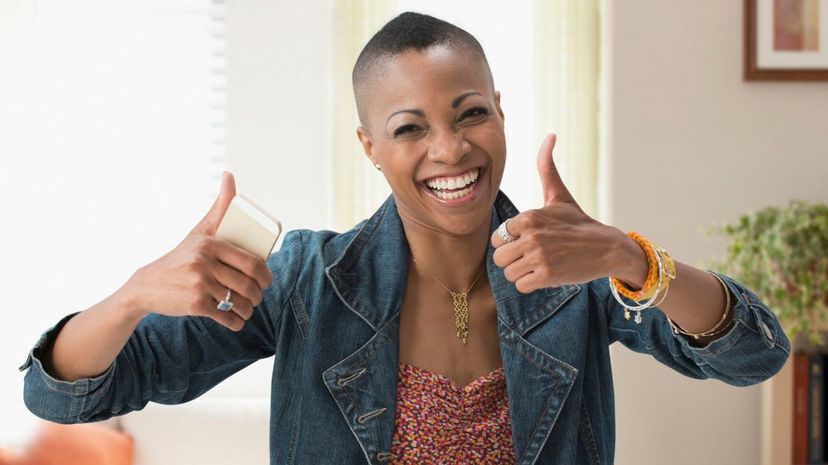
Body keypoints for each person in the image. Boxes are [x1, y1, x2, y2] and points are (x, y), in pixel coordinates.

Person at [20, 11, 790, 465]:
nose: (450, 150)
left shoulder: (576, 268)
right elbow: (63, 391)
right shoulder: (305, 282)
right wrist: (132, 295)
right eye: (409, 128)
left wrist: (630, 254)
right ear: (369, 146)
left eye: (470, 114)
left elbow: (754, 353)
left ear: (501, 109)